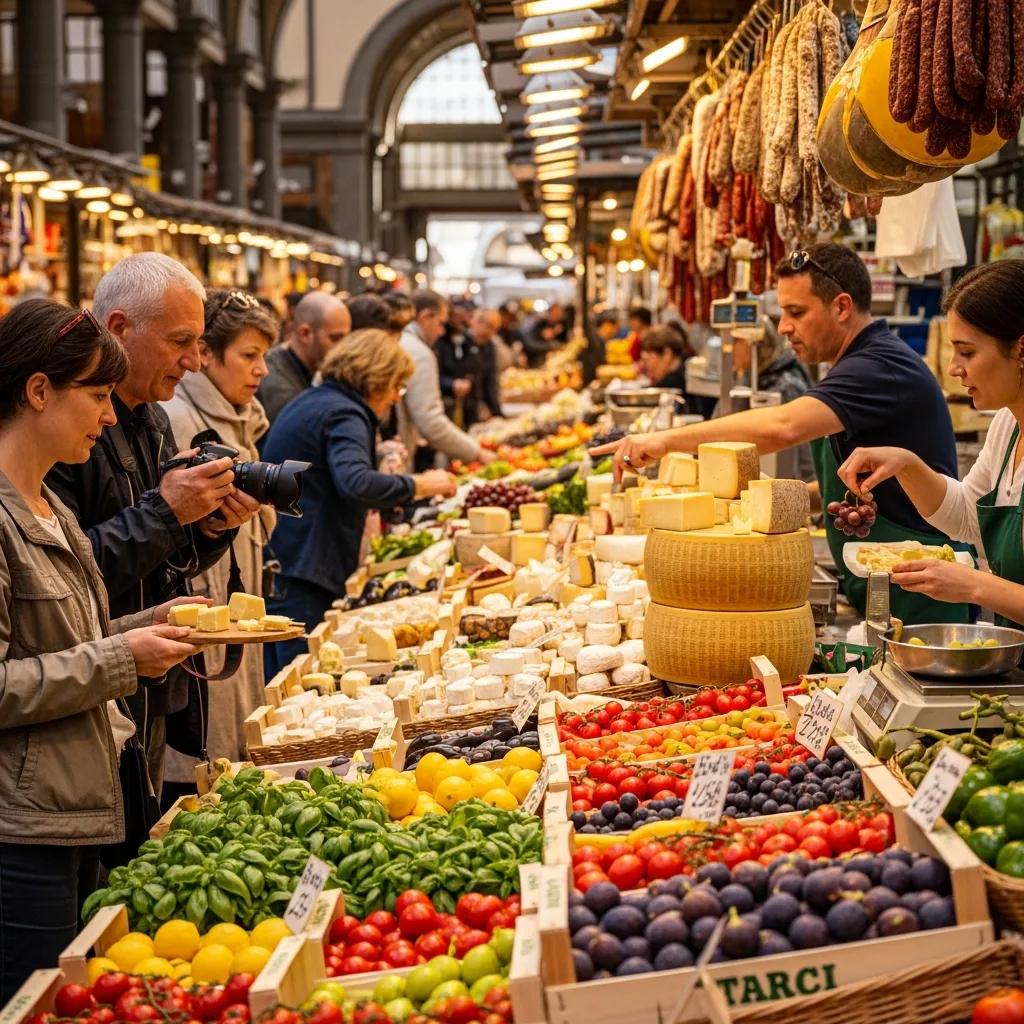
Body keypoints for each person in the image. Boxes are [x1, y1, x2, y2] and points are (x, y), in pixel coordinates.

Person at [591, 242, 968, 624]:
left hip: (922, 593)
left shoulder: (878, 366)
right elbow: (871, 483)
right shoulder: (859, 362)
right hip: (887, 582)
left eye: (796, 312)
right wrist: (774, 504)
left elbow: (783, 427)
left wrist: (665, 441)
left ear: (841, 307)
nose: (784, 326)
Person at [0, 299, 200, 1001]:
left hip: (82, 806)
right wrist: (122, 660)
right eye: (95, 395)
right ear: (37, 390)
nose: (110, 416)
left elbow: (72, 640)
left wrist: (155, 621)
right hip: (22, 833)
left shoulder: (50, 509)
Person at [46, 254, 259, 794]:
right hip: (89, 692)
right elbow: (69, 577)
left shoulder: (152, 416)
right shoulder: (63, 435)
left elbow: (164, 560)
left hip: (152, 682)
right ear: (118, 328)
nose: (194, 361)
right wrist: (167, 513)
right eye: (180, 341)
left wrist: (209, 529)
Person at [838, 260, 1024, 625]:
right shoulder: (1007, 425)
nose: (954, 367)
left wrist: (975, 586)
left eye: (967, 352)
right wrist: (907, 465)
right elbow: (968, 517)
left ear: (1021, 349)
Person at [261, 329, 457, 675]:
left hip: (287, 558)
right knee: (303, 677)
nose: (397, 398)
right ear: (377, 377)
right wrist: (420, 484)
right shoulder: (346, 413)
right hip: (307, 566)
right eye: (397, 386)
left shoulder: (319, 400)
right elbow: (355, 482)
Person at [160, 290, 278, 780]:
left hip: (238, 599)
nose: (262, 370)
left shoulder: (241, 415)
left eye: (264, 356)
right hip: (198, 614)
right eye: (249, 356)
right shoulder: (179, 420)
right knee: (202, 744)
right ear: (206, 355)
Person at [398, 290, 494, 471]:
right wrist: (476, 453)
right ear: (426, 316)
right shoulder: (418, 352)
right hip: (400, 455)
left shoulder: (402, 342)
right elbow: (431, 421)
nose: (442, 331)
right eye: (441, 323)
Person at [257, 291, 351, 425]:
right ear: (305, 334)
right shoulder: (277, 385)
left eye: (346, 339)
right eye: (335, 338)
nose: (343, 347)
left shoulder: (310, 368)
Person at [468, 308, 505, 420]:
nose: (491, 333)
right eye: (489, 326)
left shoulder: (489, 347)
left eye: (495, 329)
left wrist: (497, 414)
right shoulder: (459, 344)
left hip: (476, 410)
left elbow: (490, 383)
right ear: (475, 321)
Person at [639, 323, 696, 394]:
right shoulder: (684, 369)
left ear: (667, 354)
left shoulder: (674, 383)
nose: (646, 365)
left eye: (649, 358)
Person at [583, 310, 619, 386]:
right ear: (607, 324)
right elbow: (594, 365)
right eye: (614, 328)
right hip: (591, 381)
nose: (615, 331)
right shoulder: (595, 341)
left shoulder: (599, 339)